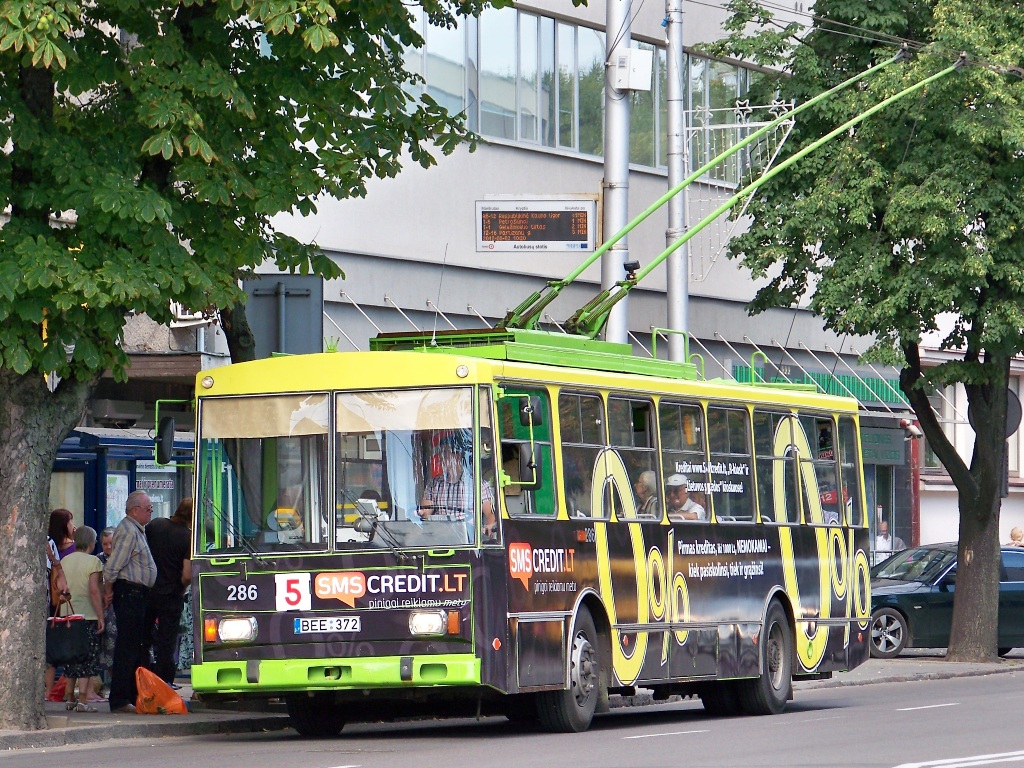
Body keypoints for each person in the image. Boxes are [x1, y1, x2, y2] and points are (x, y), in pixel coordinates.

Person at [103, 490, 157, 714]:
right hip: (130, 593)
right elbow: (113, 566)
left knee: (137, 647)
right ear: (135, 510)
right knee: (127, 648)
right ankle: (120, 698)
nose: (151, 512)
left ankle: (135, 695)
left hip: (138, 594)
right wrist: (108, 591)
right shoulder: (127, 531)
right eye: (148, 508)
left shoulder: (137, 530)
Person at [56, 526, 106, 712]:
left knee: (71, 659)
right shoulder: (93, 562)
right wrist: (100, 615)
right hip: (87, 615)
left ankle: (70, 698)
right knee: (86, 659)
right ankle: (83, 701)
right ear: (92, 542)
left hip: (67, 615)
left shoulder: (65, 560)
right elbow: (94, 590)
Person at [144, 497, 193, 686]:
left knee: (144, 637)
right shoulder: (187, 537)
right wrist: (181, 586)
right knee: (167, 641)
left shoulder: (155, 525)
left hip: (148, 590)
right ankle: (164, 682)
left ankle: (143, 677)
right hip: (171, 594)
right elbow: (187, 574)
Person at [418, 435, 496, 538]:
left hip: (468, 540)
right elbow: (426, 511)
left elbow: (491, 514)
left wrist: (488, 528)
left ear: (457, 456)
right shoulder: (434, 484)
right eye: (440, 454)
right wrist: (421, 512)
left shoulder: (479, 484)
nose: (441, 458)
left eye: (445, 454)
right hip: (440, 538)